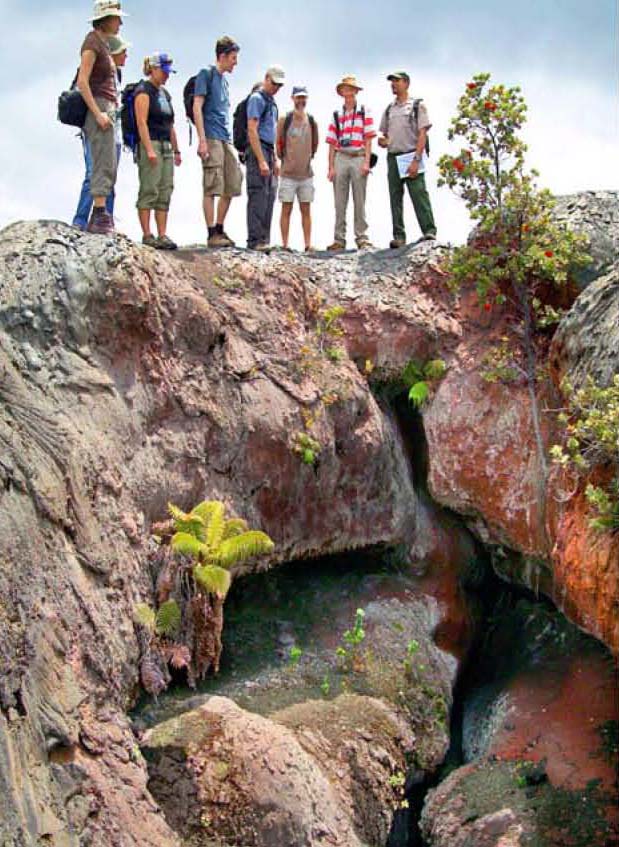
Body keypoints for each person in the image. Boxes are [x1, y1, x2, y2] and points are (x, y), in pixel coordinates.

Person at [77, 0, 128, 235]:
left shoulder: (103, 44)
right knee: (100, 161)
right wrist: (97, 114)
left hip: (106, 106)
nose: (120, 22)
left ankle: (100, 215)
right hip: (98, 105)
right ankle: (98, 216)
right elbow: (82, 81)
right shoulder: (92, 42)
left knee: (107, 162)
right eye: (117, 18)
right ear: (106, 18)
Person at [193, 36, 243, 248]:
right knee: (212, 184)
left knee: (232, 182)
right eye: (233, 58)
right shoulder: (207, 74)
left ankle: (220, 229)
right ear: (222, 56)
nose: (235, 62)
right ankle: (211, 231)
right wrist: (202, 140)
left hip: (225, 137)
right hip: (211, 136)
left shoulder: (224, 81)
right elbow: (197, 106)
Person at [378, 71, 437, 247]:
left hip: (411, 154)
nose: (393, 84)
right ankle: (399, 236)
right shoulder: (389, 109)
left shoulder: (417, 105)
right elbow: (385, 134)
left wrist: (416, 159)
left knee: (419, 193)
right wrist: (384, 141)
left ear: (406, 83)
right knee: (395, 197)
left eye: (396, 81)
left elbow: (422, 134)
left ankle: (429, 231)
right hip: (393, 156)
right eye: (392, 82)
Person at [134, 53, 182, 249]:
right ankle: (147, 234)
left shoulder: (164, 94)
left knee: (165, 189)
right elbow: (141, 122)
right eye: (164, 71)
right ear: (153, 69)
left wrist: (177, 150)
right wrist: (148, 149)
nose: (166, 75)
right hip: (151, 144)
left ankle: (162, 234)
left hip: (166, 146)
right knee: (149, 188)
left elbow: (171, 124)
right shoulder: (143, 91)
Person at [326, 75, 375, 251]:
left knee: (359, 199)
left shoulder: (364, 111)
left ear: (355, 91)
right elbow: (331, 143)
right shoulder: (336, 114)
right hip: (342, 156)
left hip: (359, 155)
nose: (347, 91)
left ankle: (362, 237)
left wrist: (367, 162)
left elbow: (369, 138)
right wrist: (331, 167)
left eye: (350, 88)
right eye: (344, 88)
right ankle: (339, 239)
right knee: (339, 200)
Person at [246, 66, 285, 252]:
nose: (276, 87)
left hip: (270, 149)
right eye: (274, 83)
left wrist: (275, 158)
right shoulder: (257, 99)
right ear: (266, 79)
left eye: (279, 85)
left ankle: (264, 238)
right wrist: (261, 159)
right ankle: (254, 240)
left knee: (269, 194)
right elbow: (252, 129)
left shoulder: (273, 103)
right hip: (258, 148)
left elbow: (273, 131)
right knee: (258, 193)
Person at [276, 85, 318, 252]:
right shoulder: (284, 120)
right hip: (287, 173)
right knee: (286, 208)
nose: (301, 101)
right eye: (298, 97)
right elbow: (278, 144)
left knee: (306, 209)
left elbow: (315, 145)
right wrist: (284, 160)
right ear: (292, 98)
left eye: (303, 98)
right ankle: (285, 244)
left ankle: (307, 244)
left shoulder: (312, 121)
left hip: (306, 173)